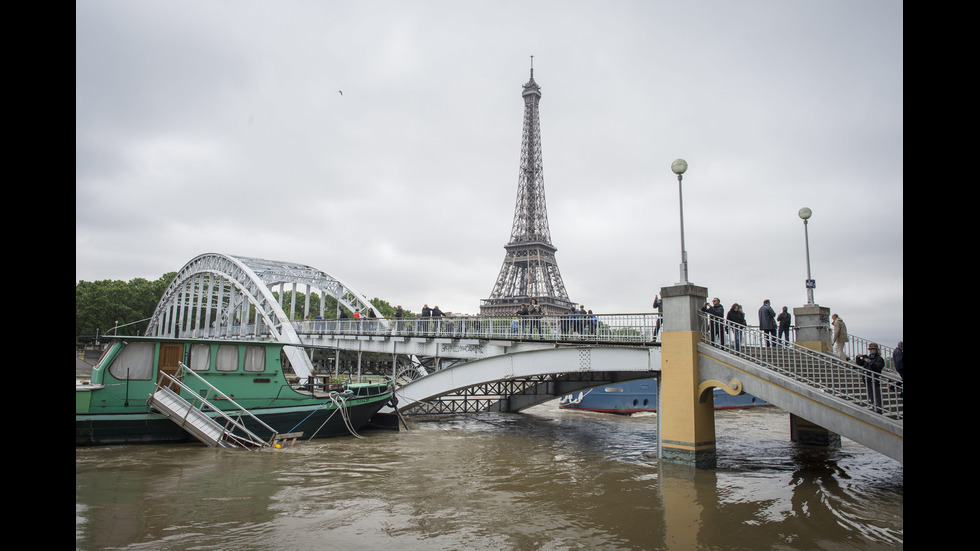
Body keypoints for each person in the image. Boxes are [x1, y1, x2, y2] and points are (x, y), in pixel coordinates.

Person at [855, 343, 885, 413]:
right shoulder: (867, 357)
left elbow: (879, 367)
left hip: (874, 378)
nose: (871, 351)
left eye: (872, 349)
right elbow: (860, 363)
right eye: (870, 349)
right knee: (871, 393)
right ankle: (874, 406)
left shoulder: (879, 359)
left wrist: (870, 362)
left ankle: (879, 408)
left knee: (876, 393)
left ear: (876, 350)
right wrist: (858, 358)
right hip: (867, 378)